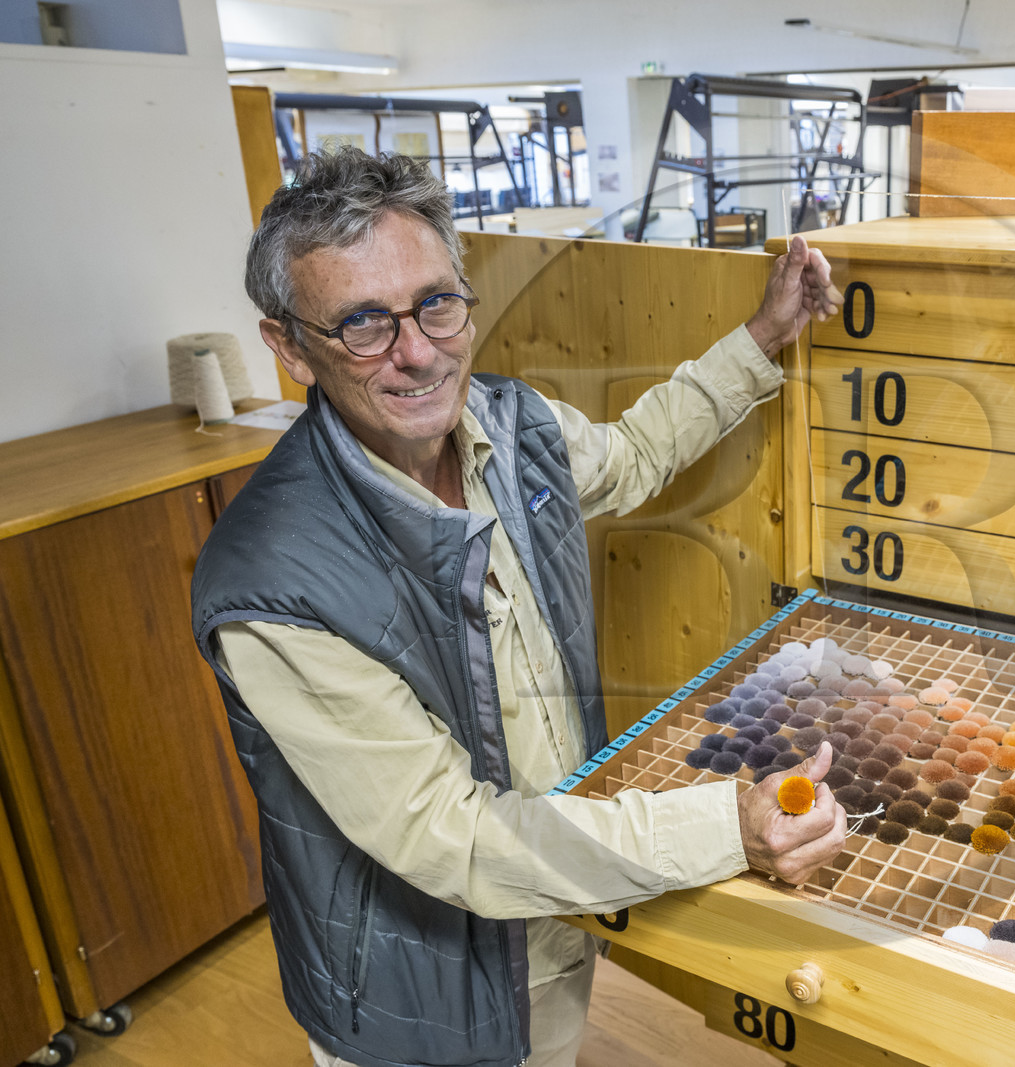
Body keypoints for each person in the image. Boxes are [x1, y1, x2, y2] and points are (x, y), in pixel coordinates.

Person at [190, 147, 847, 1067]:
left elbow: (632, 453)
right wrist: (724, 827)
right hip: (416, 989)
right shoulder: (274, 578)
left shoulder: (511, 425)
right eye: (363, 323)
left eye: (436, 302)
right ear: (290, 345)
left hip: (552, 920)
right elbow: (450, 834)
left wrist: (763, 337)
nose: (418, 351)